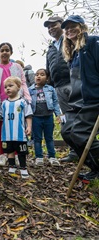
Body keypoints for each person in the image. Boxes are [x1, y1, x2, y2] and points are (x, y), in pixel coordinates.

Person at [61, 15, 99, 183]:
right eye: (66, 28)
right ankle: (95, 167)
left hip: (93, 99)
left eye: (73, 26)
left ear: (82, 27)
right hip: (77, 102)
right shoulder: (73, 53)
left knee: (79, 134)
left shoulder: (93, 42)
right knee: (67, 132)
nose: (69, 30)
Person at [0, 42, 31, 167]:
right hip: (0, 102)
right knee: (2, 130)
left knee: (17, 128)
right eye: (2, 50)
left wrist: (27, 98)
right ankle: (2, 154)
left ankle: (17, 154)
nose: (5, 52)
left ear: (11, 52)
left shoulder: (17, 67)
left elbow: (23, 83)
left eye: (7, 50)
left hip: (16, 101)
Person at [44, 15, 79, 162]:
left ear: (62, 25)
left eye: (54, 25)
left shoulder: (70, 41)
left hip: (74, 83)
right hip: (59, 87)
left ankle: (90, 148)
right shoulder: (50, 49)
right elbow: (48, 70)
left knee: (81, 115)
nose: (51, 28)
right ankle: (74, 151)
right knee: (68, 119)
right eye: (49, 27)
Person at [1, 76, 33, 179]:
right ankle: (12, 166)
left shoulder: (23, 102)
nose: (8, 89)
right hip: (7, 134)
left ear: (19, 87)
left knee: (21, 151)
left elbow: (28, 115)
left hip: (19, 133)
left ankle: (23, 168)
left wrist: (29, 126)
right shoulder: (4, 103)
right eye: (6, 87)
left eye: (10, 86)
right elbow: (1, 116)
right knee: (9, 151)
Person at [29, 68, 61, 166]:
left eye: (42, 74)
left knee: (49, 138)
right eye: (37, 74)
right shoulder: (30, 89)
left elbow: (55, 102)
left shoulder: (50, 89)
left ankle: (52, 157)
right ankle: (39, 157)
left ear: (47, 78)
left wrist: (58, 114)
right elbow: (27, 103)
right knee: (37, 138)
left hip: (48, 117)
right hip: (36, 118)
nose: (38, 76)